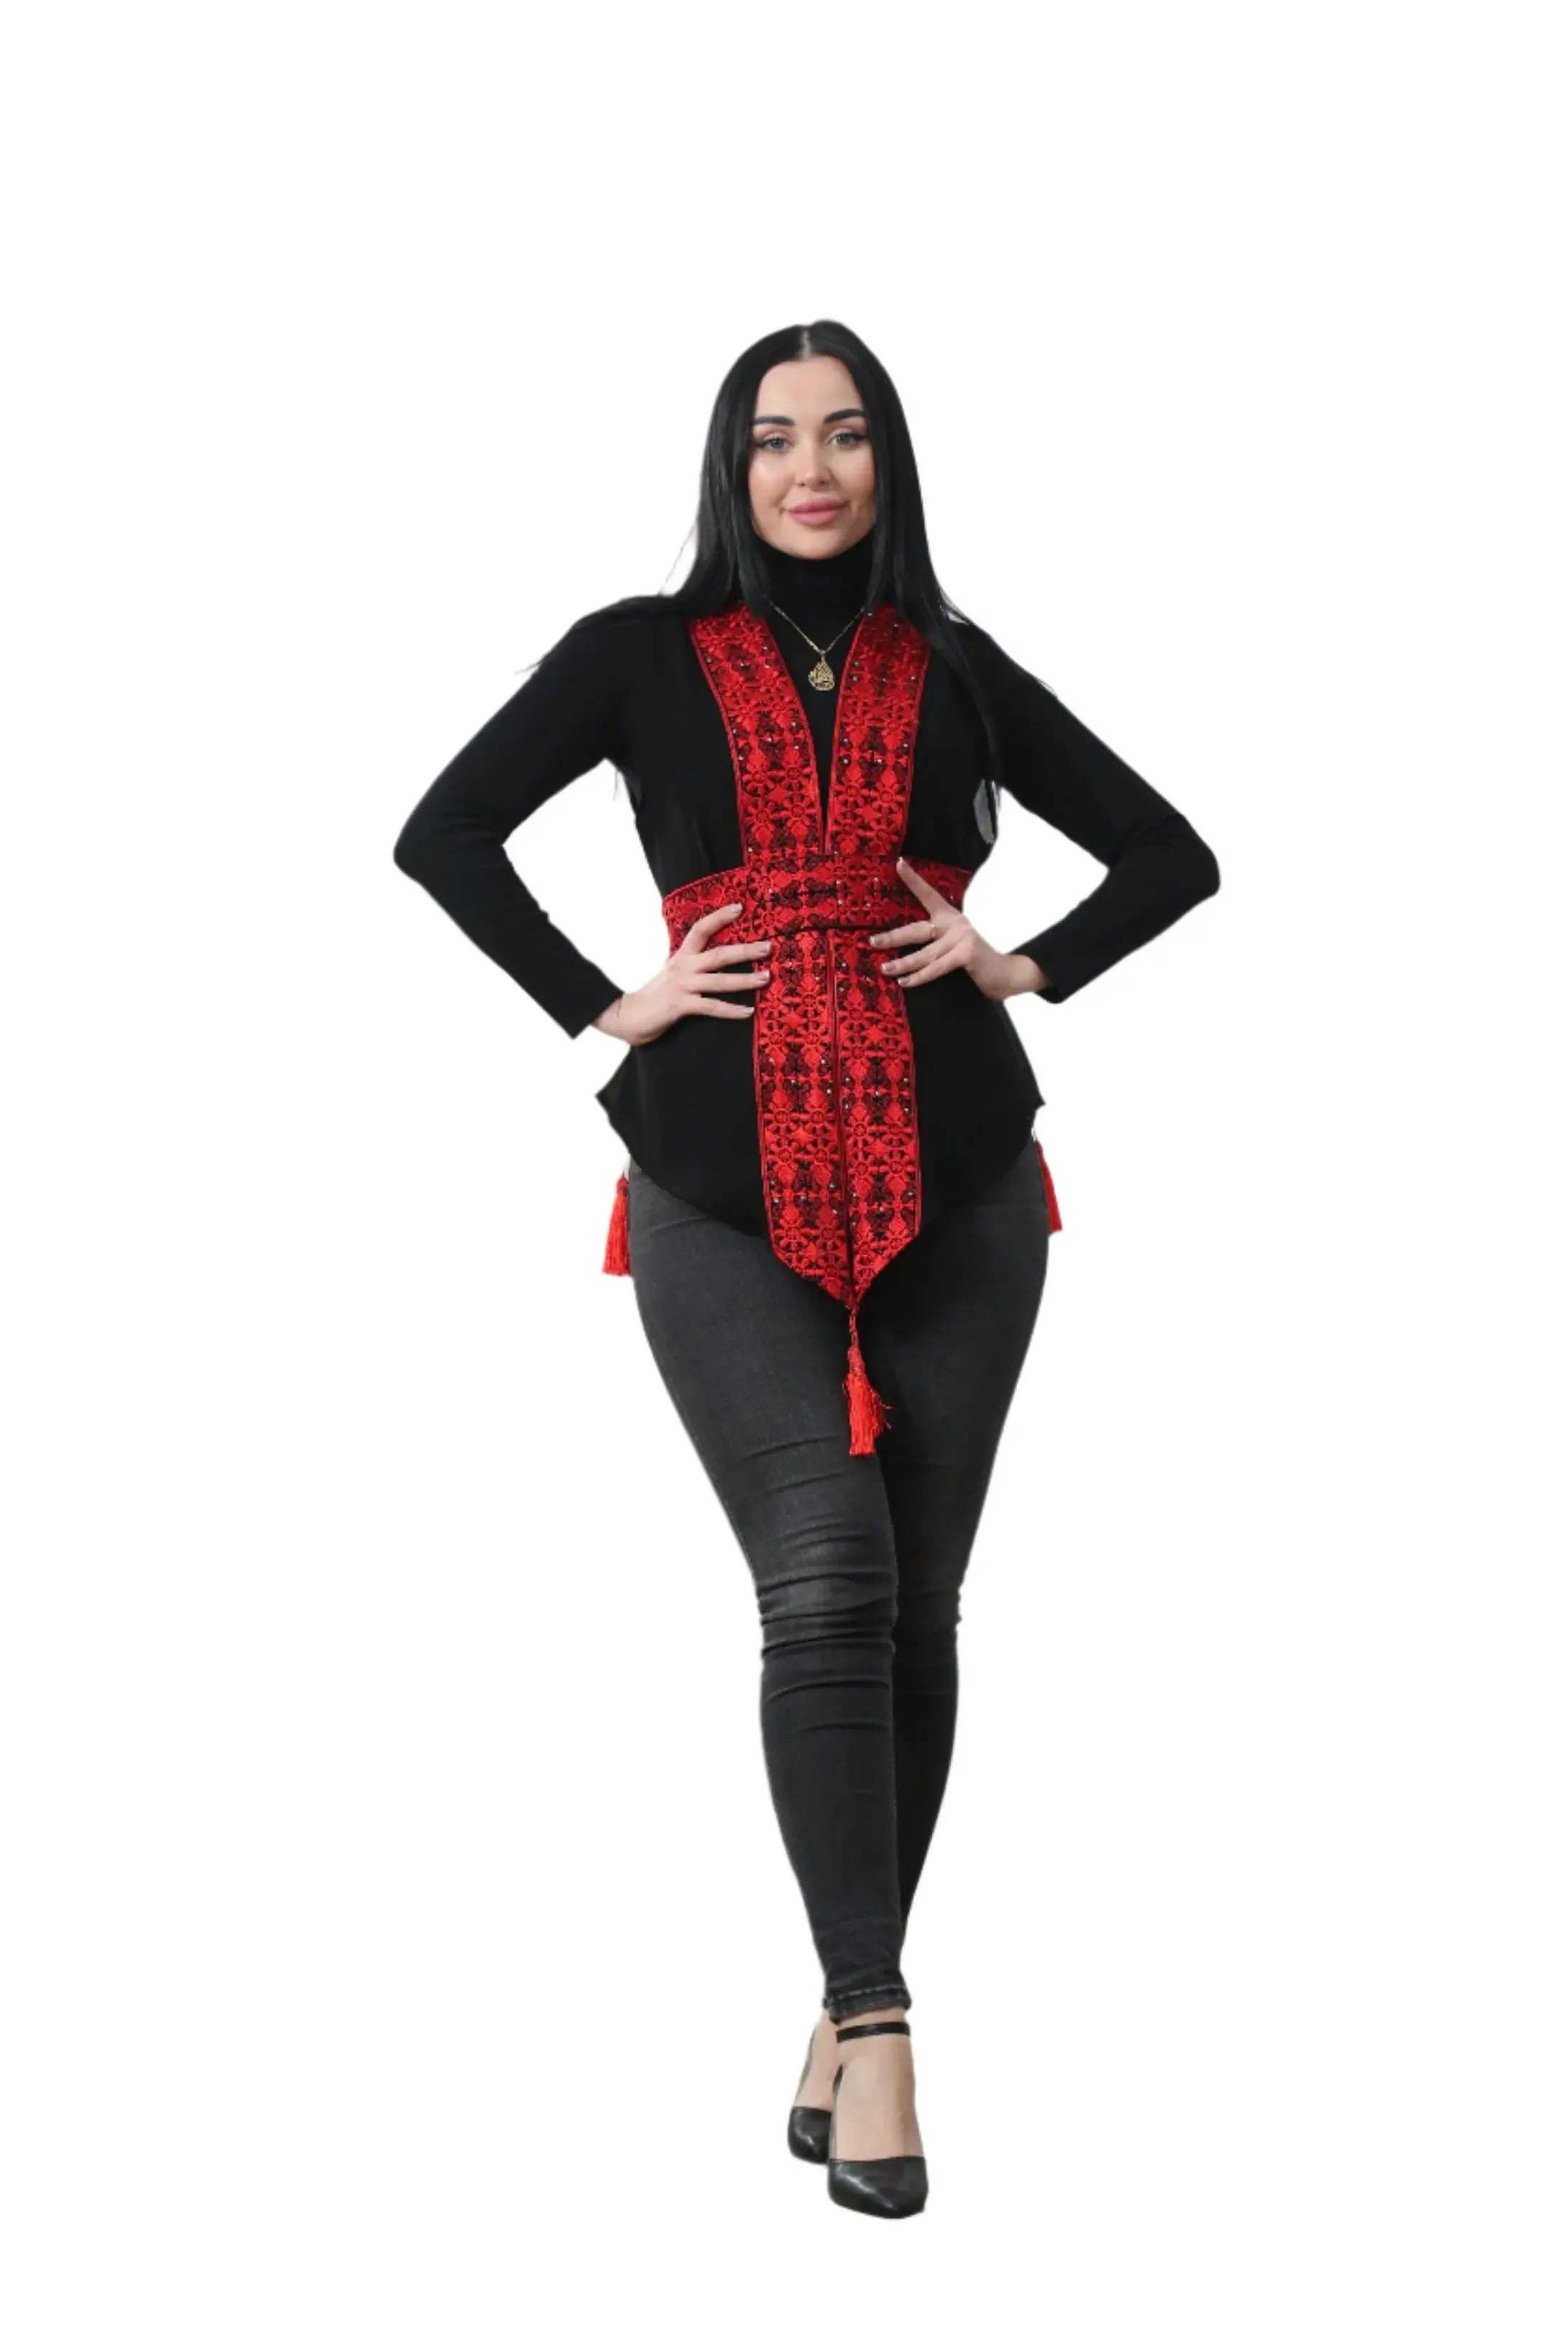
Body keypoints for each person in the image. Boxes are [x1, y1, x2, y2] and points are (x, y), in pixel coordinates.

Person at [392, 320, 1221, 2218]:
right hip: (715, 1173)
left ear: (887, 462)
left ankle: (842, 2022)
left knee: (915, 1605)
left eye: (846, 436)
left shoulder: (956, 664)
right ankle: (883, 2017)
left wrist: (1023, 963)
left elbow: (1170, 854)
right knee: (826, 1571)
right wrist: (605, 998)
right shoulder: (635, 651)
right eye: (774, 439)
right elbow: (444, 834)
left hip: (963, 1175)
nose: (812, 469)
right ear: (731, 466)